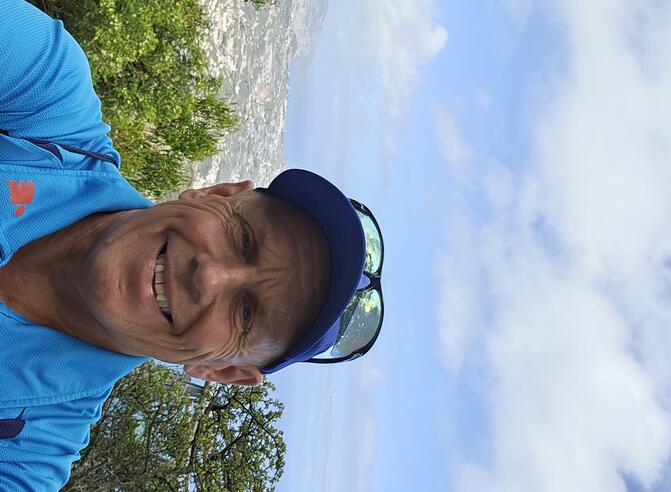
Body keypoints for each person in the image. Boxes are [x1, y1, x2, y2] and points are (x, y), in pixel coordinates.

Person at [0, 1, 384, 489]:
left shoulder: (22, 454)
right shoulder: (42, 88)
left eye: (247, 314)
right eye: (244, 240)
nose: (210, 276)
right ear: (215, 193)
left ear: (219, 369)